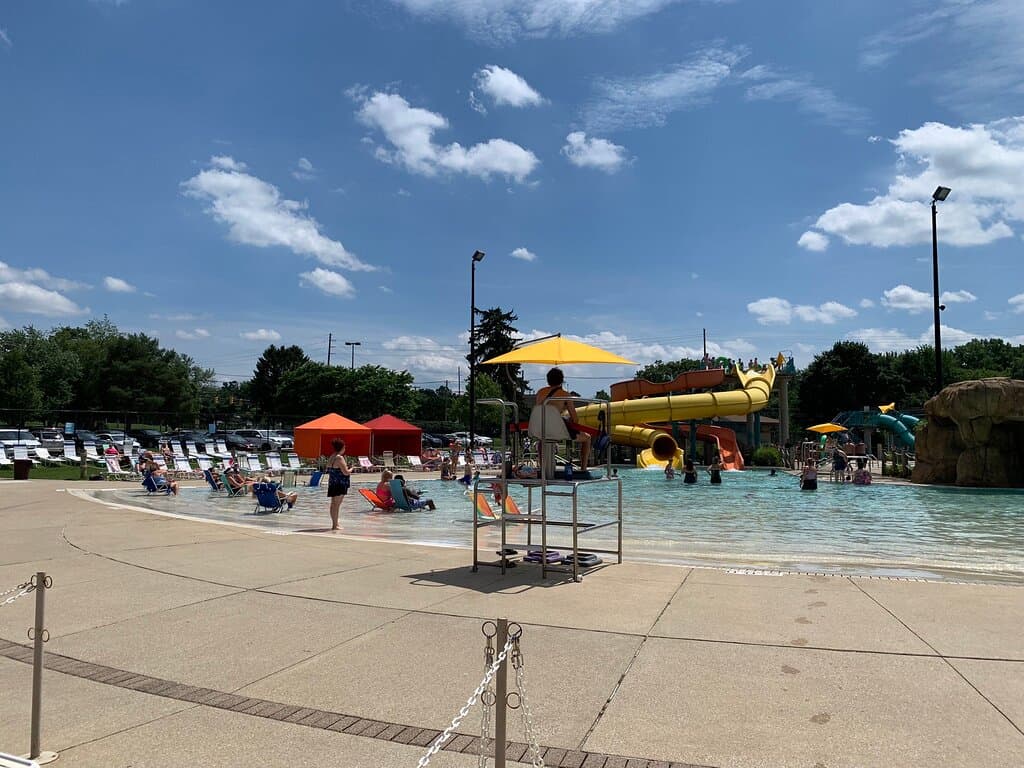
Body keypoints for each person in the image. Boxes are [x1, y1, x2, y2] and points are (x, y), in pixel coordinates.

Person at [535, 367, 591, 470]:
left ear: (548, 380)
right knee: (587, 438)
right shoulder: (565, 395)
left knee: (542, 440)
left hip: (540, 428)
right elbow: (575, 419)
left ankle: (542, 468)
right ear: (562, 380)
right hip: (557, 430)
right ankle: (583, 468)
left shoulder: (540, 392)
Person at [325, 438, 352, 529]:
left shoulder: (332, 457)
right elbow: (346, 472)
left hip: (333, 483)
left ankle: (335, 524)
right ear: (342, 447)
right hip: (340, 483)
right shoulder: (339, 457)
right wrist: (352, 468)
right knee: (337, 505)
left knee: (333, 504)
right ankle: (335, 525)